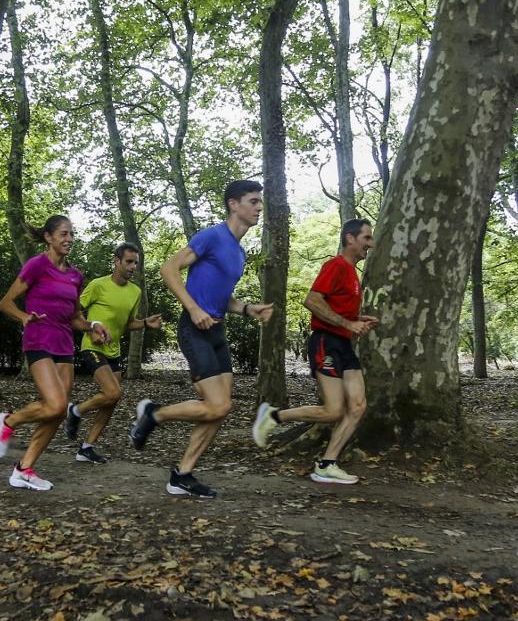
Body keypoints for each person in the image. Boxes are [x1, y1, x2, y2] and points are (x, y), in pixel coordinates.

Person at [129, 180, 274, 498]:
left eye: (260, 202)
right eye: (253, 201)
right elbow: (169, 269)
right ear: (233, 205)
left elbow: (223, 299)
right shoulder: (212, 236)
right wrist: (192, 308)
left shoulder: (238, 253)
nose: (259, 207)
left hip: (217, 331)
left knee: (220, 409)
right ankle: (154, 414)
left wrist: (248, 309)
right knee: (218, 404)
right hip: (194, 329)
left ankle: (182, 475)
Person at [251, 218, 378, 484]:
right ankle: (273, 415)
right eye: (366, 238)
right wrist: (347, 323)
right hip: (326, 342)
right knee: (334, 410)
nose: (371, 244)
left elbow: (338, 309)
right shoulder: (336, 266)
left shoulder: (352, 274)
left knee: (357, 406)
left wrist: (358, 319)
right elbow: (312, 300)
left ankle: (326, 464)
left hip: (343, 344)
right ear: (350, 238)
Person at [0, 215, 110, 491]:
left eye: (72, 235)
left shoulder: (75, 275)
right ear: (49, 237)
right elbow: (5, 303)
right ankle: (8, 421)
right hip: (39, 340)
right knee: (55, 405)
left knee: (56, 413)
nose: (69, 239)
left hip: (64, 345)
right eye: (64, 234)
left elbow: (75, 318)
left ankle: (24, 469)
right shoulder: (37, 266)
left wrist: (92, 326)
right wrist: (22, 316)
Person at [64, 242, 163, 464]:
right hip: (92, 346)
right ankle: (76, 411)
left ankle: (86, 448)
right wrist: (91, 327)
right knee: (113, 393)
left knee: (111, 400)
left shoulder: (135, 291)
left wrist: (146, 323)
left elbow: (128, 323)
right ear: (116, 261)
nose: (132, 267)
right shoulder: (98, 285)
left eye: (135, 263)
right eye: (128, 262)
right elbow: (73, 313)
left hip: (114, 350)